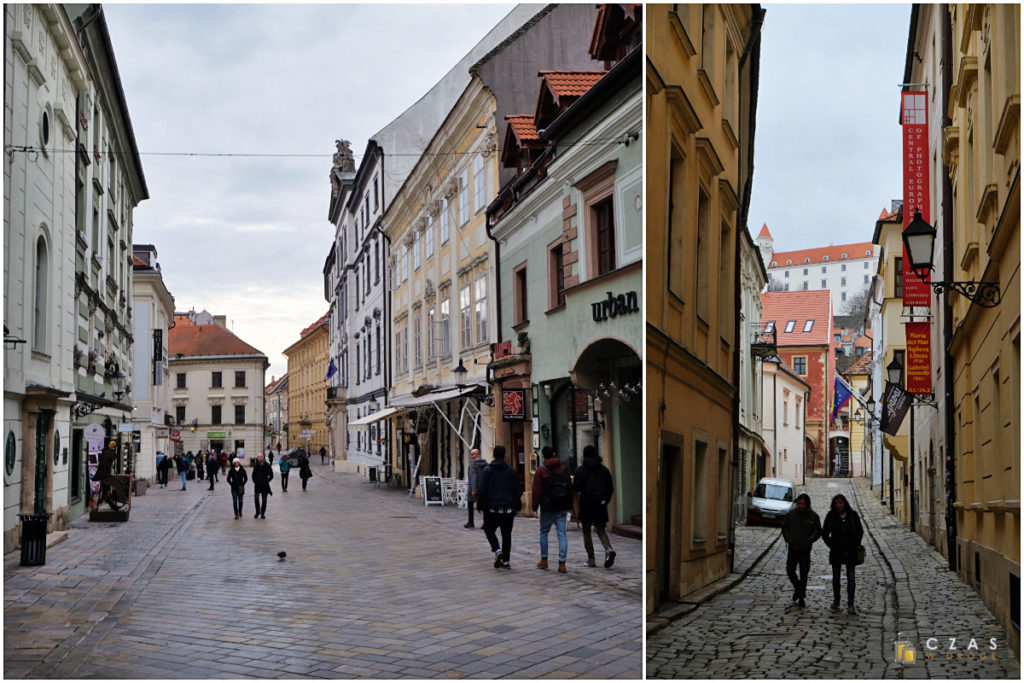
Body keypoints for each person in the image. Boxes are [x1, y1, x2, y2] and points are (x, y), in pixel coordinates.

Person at [477, 445, 521, 569]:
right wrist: (517, 504)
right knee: (507, 534)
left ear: (494, 455)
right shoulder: (511, 470)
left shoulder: (488, 470)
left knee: (488, 529)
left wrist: (480, 504)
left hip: (492, 508)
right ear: (504, 455)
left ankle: (497, 550)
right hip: (508, 508)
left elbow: (483, 489)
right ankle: (506, 560)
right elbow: (517, 489)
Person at [573, 445, 616, 568]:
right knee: (601, 530)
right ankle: (608, 549)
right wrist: (605, 500)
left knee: (586, 531)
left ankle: (591, 558)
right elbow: (610, 488)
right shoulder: (604, 470)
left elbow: (576, 487)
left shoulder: (580, 470)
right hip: (600, 504)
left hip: (586, 504)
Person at [532, 446, 573, 573]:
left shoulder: (541, 470)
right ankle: (562, 564)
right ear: (554, 454)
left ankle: (544, 560)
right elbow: (569, 489)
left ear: (543, 456)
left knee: (544, 532)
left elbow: (537, 491)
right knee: (562, 534)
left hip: (547, 507)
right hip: (561, 507)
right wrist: (570, 506)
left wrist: (535, 507)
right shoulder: (563, 469)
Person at [822, 493, 864, 614]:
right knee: (836, 577)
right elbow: (825, 533)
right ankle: (837, 599)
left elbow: (860, 531)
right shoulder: (831, 516)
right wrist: (831, 545)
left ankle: (850, 603)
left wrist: (856, 544)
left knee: (851, 577)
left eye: (840, 503)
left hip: (850, 551)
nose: (839, 505)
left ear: (844, 503)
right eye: (836, 503)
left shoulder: (852, 515)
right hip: (837, 551)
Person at [781, 492, 822, 608]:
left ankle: (801, 597)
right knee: (790, 570)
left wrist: (809, 540)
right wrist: (788, 539)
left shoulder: (813, 516)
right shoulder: (791, 515)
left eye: (803, 504)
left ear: (807, 504)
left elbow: (818, 531)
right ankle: (798, 589)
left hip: (805, 549)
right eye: (799, 503)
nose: (800, 506)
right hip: (793, 548)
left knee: (804, 574)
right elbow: (785, 527)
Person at [465, 448, 487, 529]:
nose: (471, 456)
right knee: (484, 506)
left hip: (474, 488)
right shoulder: (485, 463)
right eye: (471, 454)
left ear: (478, 454)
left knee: (470, 504)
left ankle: (471, 522)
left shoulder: (473, 464)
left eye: (473, 454)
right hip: (483, 488)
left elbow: (474, 476)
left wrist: (473, 489)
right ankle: (486, 523)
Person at [251, 453, 274, 519]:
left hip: (265, 486)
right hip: (257, 485)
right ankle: (257, 512)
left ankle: (262, 513)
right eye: (258, 457)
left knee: (264, 500)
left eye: (260, 457)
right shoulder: (256, 466)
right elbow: (253, 475)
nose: (259, 458)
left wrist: (267, 481)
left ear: (263, 458)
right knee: (256, 499)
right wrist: (255, 481)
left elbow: (271, 475)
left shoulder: (267, 465)